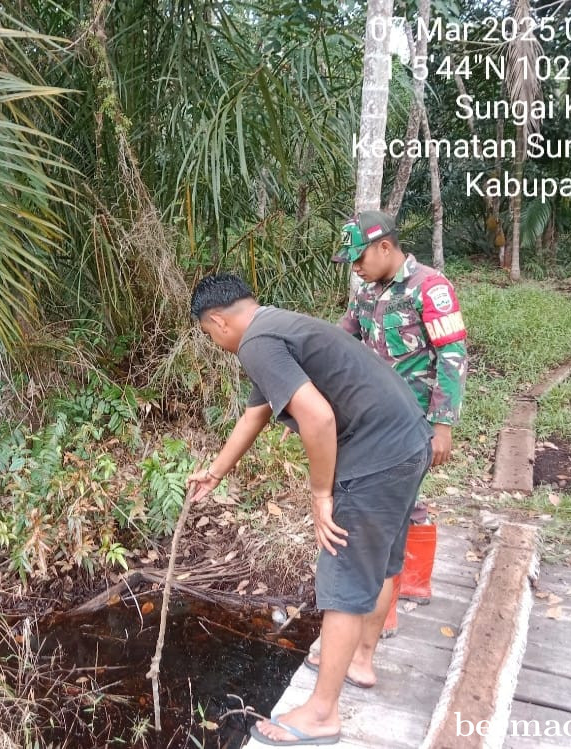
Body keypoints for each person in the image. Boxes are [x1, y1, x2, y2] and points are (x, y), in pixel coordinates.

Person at [186, 274, 432, 746]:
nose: (214, 343)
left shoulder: (256, 343)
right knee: (378, 563)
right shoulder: (275, 325)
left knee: (342, 576)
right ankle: (360, 660)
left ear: (217, 322)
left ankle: (322, 712)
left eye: (208, 334)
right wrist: (215, 472)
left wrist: (321, 495)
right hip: (408, 441)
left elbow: (317, 416)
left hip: (375, 457)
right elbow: (256, 413)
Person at [332, 209, 469, 635]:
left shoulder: (430, 287)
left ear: (385, 247)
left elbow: (452, 355)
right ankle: (408, 584)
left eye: (359, 258)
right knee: (400, 500)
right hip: (377, 418)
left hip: (414, 420)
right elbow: (344, 338)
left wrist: (443, 424)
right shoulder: (367, 291)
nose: (356, 267)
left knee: (386, 506)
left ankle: (391, 601)